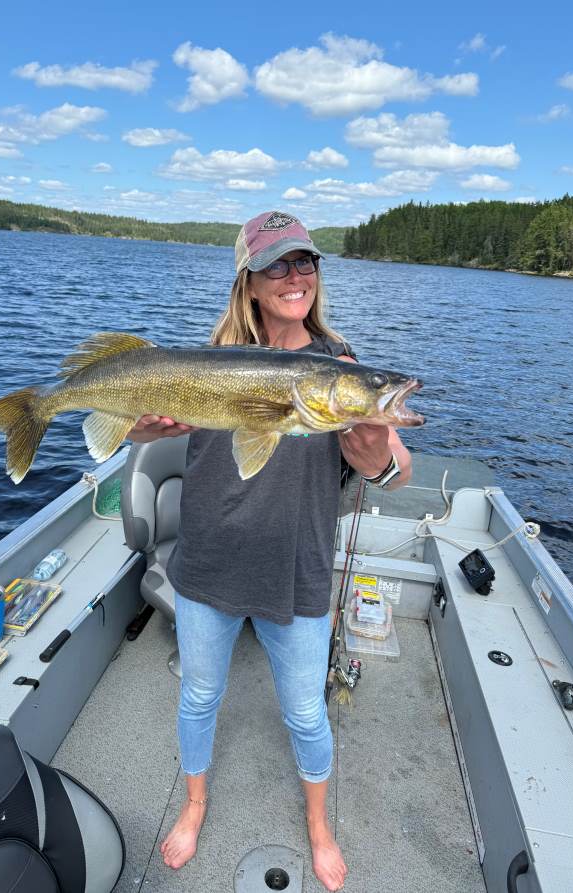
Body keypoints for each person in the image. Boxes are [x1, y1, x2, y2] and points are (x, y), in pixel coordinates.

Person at [126, 211, 412, 892]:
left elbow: (396, 467)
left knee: (306, 710)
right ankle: (195, 803)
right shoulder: (208, 359)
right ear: (249, 281)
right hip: (208, 563)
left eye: (306, 262)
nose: (296, 276)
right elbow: (144, 437)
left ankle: (318, 824)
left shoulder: (341, 366)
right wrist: (137, 430)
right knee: (199, 696)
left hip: (297, 569)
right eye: (279, 264)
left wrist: (375, 460)